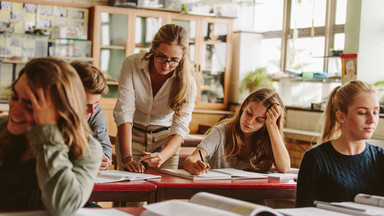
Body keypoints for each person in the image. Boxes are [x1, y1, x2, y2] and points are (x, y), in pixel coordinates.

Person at [0, 58, 103, 215]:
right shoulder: (2, 127)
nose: (15, 110)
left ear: (61, 109)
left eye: (30, 105)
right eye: (14, 97)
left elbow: (63, 206)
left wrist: (46, 133)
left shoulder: (87, 149)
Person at [114, 24, 198, 173]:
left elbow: (181, 125)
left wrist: (163, 155)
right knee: (129, 191)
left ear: (183, 57)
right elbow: (124, 111)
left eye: (174, 60)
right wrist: (127, 157)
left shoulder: (188, 81)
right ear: (153, 47)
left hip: (165, 140)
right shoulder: (132, 64)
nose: (166, 65)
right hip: (132, 135)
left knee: (165, 192)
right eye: (162, 57)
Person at [296, 80, 384, 207]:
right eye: (362, 113)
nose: (372, 120)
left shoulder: (381, 157)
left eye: (376, 112)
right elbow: (302, 211)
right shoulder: (315, 159)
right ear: (341, 116)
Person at [183, 88, 290, 175]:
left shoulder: (266, 139)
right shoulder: (220, 132)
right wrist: (194, 166)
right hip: (219, 194)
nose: (250, 121)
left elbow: (284, 168)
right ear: (244, 106)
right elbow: (190, 160)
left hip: (252, 195)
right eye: (249, 113)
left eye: (259, 120)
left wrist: (272, 127)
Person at [71, 61, 112, 174]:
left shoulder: (95, 110)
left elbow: (106, 150)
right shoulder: (50, 113)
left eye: (96, 103)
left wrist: (98, 161)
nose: (92, 110)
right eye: (86, 104)